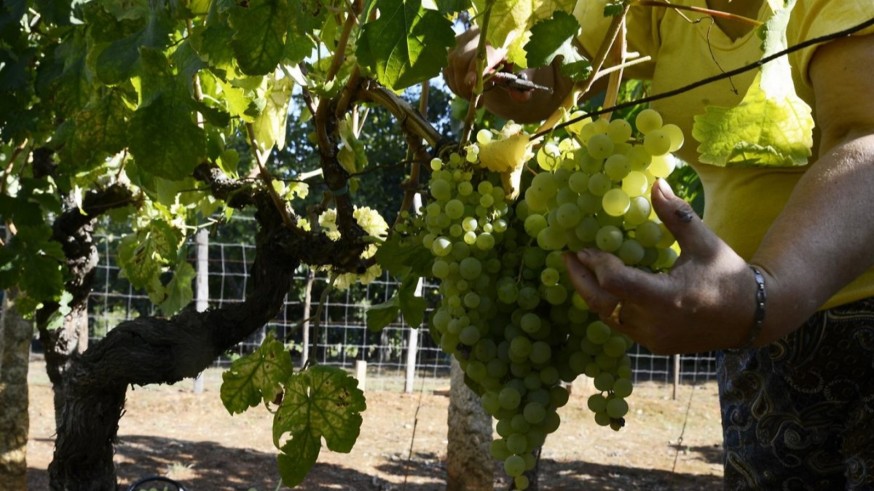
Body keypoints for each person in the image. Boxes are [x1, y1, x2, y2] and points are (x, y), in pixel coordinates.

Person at [444, 1, 874, 489]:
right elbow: (556, 78)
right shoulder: (656, 7)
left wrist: (767, 294)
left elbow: (867, 138)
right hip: (747, 327)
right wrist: (502, 63)